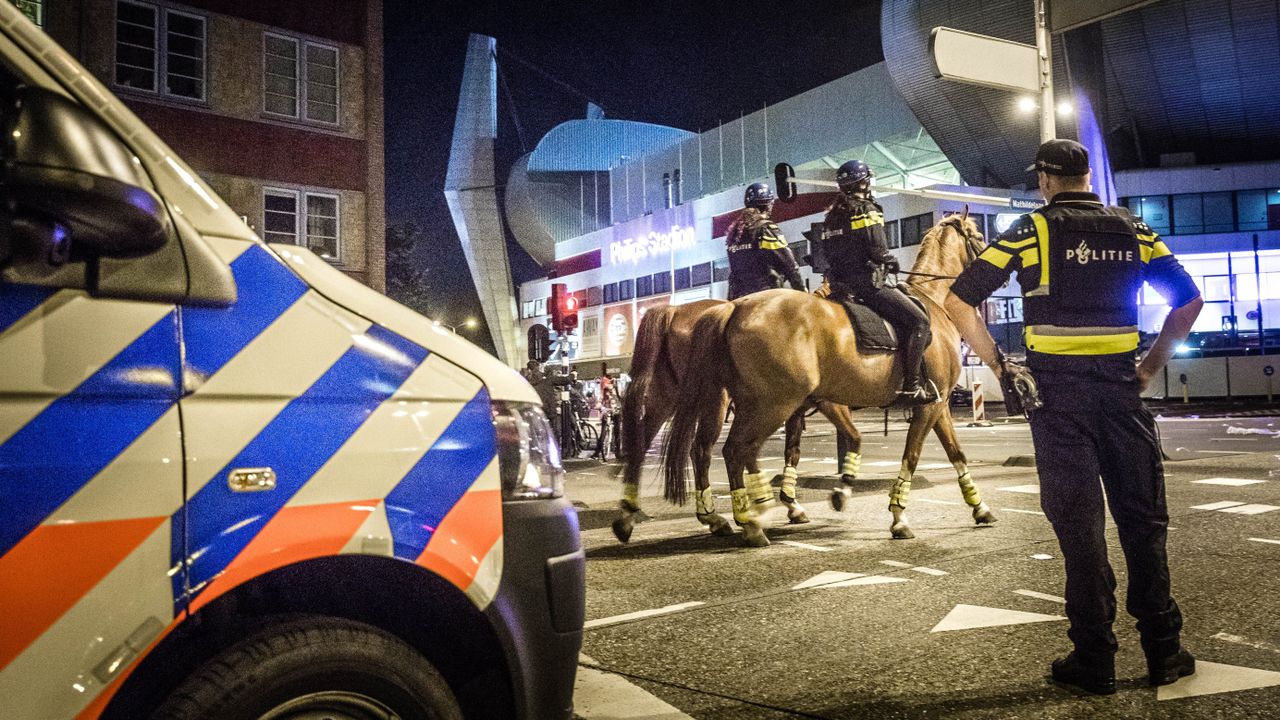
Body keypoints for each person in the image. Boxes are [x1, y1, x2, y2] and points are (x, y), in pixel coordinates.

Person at [944, 139, 1204, 695]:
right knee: (1144, 524)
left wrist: (999, 364)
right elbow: (1188, 300)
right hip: (1121, 394)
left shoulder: (1030, 231)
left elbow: (959, 300)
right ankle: (1164, 651)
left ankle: (1095, 659)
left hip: (1058, 403)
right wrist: (1152, 364)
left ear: (1045, 180)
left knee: (1081, 531)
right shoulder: (1134, 230)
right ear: (1087, 176)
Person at [820, 159, 934, 405]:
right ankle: (911, 386)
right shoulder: (866, 209)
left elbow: (828, 253)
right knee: (920, 322)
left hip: (840, 285)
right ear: (863, 182)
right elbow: (876, 247)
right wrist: (889, 260)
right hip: (868, 285)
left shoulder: (831, 217)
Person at [725, 182, 805, 300]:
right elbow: (790, 266)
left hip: (738, 297)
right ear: (768, 204)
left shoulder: (734, 233)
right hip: (766, 295)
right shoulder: (766, 228)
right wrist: (803, 293)